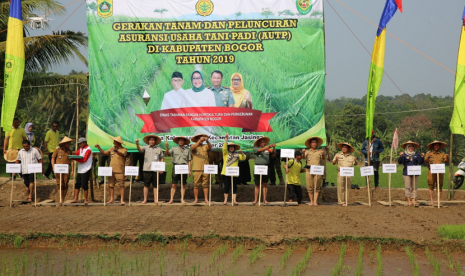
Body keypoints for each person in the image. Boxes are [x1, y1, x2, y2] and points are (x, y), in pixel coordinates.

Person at [95, 136, 128, 204]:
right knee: (110, 185)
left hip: (120, 170)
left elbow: (122, 154)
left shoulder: (124, 149)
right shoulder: (111, 149)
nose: (113, 143)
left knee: (121, 185)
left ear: (118, 143)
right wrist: (99, 147)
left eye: (115, 142)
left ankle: (122, 200)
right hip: (111, 170)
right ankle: (111, 199)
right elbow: (104, 153)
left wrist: (116, 150)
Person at [135, 135, 164, 204]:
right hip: (147, 169)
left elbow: (162, 158)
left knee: (155, 185)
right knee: (146, 185)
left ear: (155, 141)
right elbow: (140, 150)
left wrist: (161, 168)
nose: (152, 141)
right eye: (150, 140)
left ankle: (156, 199)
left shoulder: (159, 148)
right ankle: (145, 199)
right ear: (148, 141)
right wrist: (137, 144)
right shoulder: (145, 147)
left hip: (156, 169)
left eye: (153, 140)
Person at [165, 136, 192, 204]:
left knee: (183, 184)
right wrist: (167, 147)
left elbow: (189, 160)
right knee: (174, 184)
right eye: (179, 140)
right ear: (177, 141)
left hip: (184, 167)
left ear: (184, 142)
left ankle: (182, 199)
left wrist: (189, 170)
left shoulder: (187, 150)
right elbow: (167, 153)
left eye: (182, 140)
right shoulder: (174, 148)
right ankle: (171, 199)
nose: (180, 141)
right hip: (176, 166)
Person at [222, 133, 246, 205]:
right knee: (226, 187)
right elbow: (223, 148)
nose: (231, 148)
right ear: (228, 148)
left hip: (234, 173)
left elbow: (244, 158)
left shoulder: (237, 155)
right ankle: (225, 200)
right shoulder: (225, 154)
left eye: (232, 147)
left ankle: (234, 200)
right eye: (230, 147)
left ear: (234, 148)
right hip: (226, 173)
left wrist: (242, 153)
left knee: (234, 187)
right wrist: (226, 139)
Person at [398, 141, 424, 206]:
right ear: (407, 147)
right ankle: (408, 200)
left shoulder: (416, 154)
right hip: (406, 172)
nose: (411, 148)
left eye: (412, 146)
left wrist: (422, 157)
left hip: (415, 172)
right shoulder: (404, 154)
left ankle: (413, 200)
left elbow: (420, 162)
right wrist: (401, 157)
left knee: (414, 187)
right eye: (409, 146)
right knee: (407, 187)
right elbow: (400, 162)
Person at [332, 142, 358, 207]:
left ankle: (346, 201)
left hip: (348, 173)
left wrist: (356, 160)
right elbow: (333, 163)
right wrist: (336, 160)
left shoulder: (351, 156)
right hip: (340, 172)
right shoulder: (338, 155)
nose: (343, 148)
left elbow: (355, 164)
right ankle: (341, 201)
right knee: (340, 187)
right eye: (343, 147)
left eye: (345, 147)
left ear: (348, 149)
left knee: (347, 187)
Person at [424, 140, 449, 206]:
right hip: (431, 172)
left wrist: (447, 157)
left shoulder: (442, 154)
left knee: (439, 185)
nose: (436, 147)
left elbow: (447, 161)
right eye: (435, 145)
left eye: (437, 145)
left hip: (440, 172)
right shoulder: (429, 153)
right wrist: (428, 157)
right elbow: (426, 161)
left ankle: (438, 200)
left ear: (439, 146)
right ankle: (431, 200)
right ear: (432, 146)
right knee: (431, 185)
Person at [253, 136, 276, 205]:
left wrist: (273, 147)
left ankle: (265, 199)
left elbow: (272, 152)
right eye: (262, 142)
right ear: (259, 143)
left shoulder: (267, 149)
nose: (263, 143)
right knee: (257, 184)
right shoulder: (256, 148)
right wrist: (269, 146)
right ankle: (255, 199)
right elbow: (260, 150)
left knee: (265, 183)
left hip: (265, 167)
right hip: (258, 167)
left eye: (264, 142)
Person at [51, 137, 74, 203]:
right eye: (67, 143)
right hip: (58, 168)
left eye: (69, 143)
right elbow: (53, 158)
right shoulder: (57, 150)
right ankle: (61, 199)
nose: (69, 144)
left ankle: (63, 199)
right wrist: (53, 167)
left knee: (65, 183)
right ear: (64, 143)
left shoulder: (69, 151)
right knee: (59, 184)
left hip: (66, 168)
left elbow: (71, 160)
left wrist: (72, 170)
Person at [302, 137, 324, 206]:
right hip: (309, 170)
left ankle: (315, 202)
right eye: (313, 142)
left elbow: (323, 158)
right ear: (310, 144)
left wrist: (323, 154)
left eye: (315, 142)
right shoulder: (307, 152)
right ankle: (311, 201)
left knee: (317, 186)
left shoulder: (319, 152)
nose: (314, 144)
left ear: (317, 144)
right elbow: (303, 157)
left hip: (317, 170)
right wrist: (303, 152)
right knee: (309, 186)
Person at [190, 134, 211, 204]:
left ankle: (206, 199)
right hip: (197, 168)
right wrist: (199, 141)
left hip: (206, 168)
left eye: (201, 138)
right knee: (196, 185)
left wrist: (207, 141)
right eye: (198, 138)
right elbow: (192, 148)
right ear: (196, 139)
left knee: (205, 184)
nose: (201, 139)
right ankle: (196, 199)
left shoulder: (205, 146)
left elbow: (210, 147)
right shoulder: (193, 146)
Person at [73, 138, 92, 203]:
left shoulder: (88, 149)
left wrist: (75, 159)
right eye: (79, 144)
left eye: (80, 143)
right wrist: (73, 156)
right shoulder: (80, 149)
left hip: (86, 169)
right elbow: (77, 155)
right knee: (77, 184)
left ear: (84, 143)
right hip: (80, 169)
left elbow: (84, 159)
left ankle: (86, 199)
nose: (79, 145)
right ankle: (75, 198)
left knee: (84, 185)